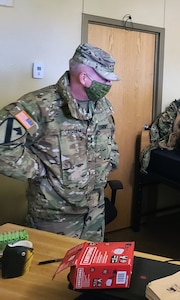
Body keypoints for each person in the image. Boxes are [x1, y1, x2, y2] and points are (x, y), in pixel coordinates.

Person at [0, 43, 120, 242]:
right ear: (84, 77)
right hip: (54, 217)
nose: (108, 85)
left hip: (94, 214)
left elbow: (109, 137)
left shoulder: (102, 106)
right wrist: (38, 170)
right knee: (49, 271)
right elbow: (3, 146)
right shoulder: (37, 105)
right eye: (105, 79)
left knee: (89, 268)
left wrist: (110, 160)